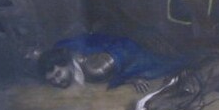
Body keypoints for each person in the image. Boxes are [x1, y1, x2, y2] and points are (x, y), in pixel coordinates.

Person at [39, 33, 186, 92]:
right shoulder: (64, 49)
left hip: (132, 51)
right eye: (52, 80)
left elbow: (125, 55)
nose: (58, 81)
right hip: (116, 44)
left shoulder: (95, 69)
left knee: (169, 64)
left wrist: (131, 79)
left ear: (66, 64)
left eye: (58, 74)